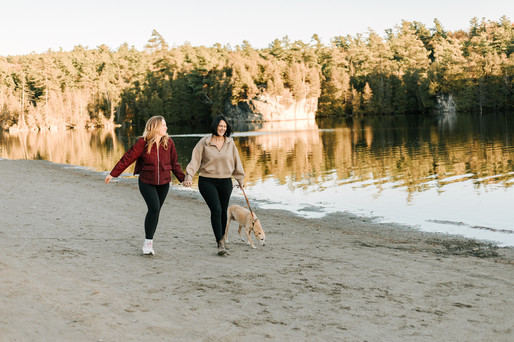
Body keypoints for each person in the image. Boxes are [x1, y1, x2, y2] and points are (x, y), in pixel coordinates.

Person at [105, 116, 185, 255]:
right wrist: (113, 173)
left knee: (156, 211)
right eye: (163, 125)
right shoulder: (143, 142)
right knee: (154, 208)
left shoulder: (169, 142)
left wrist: (183, 179)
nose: (166, 128)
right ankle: (148, 243)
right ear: (155, 127)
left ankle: (149, 241)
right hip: (147, 182)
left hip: (164, 183)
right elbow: (128, 157)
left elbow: (175, 163)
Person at [183, 115, 245, 256]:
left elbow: (237, 161)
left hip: (225, 181)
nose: (222, 128)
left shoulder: (230, 143)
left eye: (224, 126)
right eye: (220, 126)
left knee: (223, 211)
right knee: (216, 210)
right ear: (215, 126)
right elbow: (195, 161)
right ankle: (220, 242)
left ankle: (222, 237)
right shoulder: (204, 142)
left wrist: (240, 178)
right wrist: (189, 176)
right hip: (207, 181)